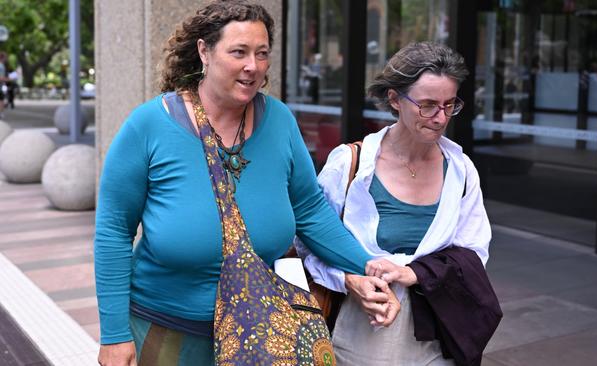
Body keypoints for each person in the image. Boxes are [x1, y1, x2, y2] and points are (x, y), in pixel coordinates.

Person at [94, 2, 398, 365]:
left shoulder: (280, 121)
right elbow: (113, 230)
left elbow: (309, 209)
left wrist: (365, 265)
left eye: (262, 53)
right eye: (238, 52)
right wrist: (114, 334)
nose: (252, 66)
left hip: (260, 331)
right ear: (204, 51)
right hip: (167, 330)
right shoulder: (148, 126)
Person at [299, 42, 494, 365]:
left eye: (449, 104)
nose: (440, 117)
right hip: (357, 340)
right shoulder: (351, 164)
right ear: (394, 99)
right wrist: (350, 280)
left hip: (437, 339)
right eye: (428, 105)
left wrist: (412, 273)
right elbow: (308, 244)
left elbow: (474, 253)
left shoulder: (460, 169)